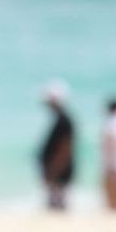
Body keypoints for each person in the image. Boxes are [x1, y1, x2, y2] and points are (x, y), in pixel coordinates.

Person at [37, 82, 76, 210]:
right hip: (57, 171)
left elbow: (65, 149)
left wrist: (53, 170)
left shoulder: (64, 121)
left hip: (60, 172)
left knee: (57, 205)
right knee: (54, 204)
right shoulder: (60, 120)